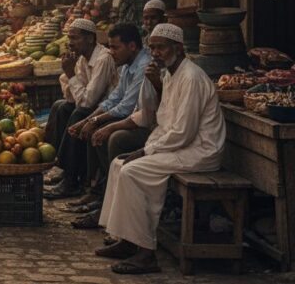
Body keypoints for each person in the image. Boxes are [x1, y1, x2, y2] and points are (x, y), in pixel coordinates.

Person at [97, 24, 225, 274]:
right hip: (180, 146)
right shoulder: (170, 75)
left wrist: (147, 151)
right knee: (119, 164)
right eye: (152, 47)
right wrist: (149, 147)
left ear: (178, 48)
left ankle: (146, 254)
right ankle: (126, 240)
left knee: (132, 172)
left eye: (161, 47)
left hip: (200, 151)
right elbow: (162, 120)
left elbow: (183, 132)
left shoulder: (191, 77)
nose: (155, 53)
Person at [65, 23, 158, 229]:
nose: (111, 52)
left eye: (115, 47)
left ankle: (110, 198)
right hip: (133, 118)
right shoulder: (126, 66)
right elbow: (113, 99)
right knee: (91, 127)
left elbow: (126, 107)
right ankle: (97, 192)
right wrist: (89, 121)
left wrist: (98, 122)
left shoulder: (143, 67)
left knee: (111, 137)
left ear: (132, 46)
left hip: (147, 126)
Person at [44, 18, 117, 198]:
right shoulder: (83, 60)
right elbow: (71, 97)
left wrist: (70, 74)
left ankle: (71, 180)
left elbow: (87, 102)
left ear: (90, 39)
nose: (70, 43)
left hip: (107, 108)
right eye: (69, 38)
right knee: (60, 107)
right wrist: (69, 74)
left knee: (79, 113)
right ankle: (62, 167)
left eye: (75, 38)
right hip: (91, 105)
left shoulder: (103, 58)